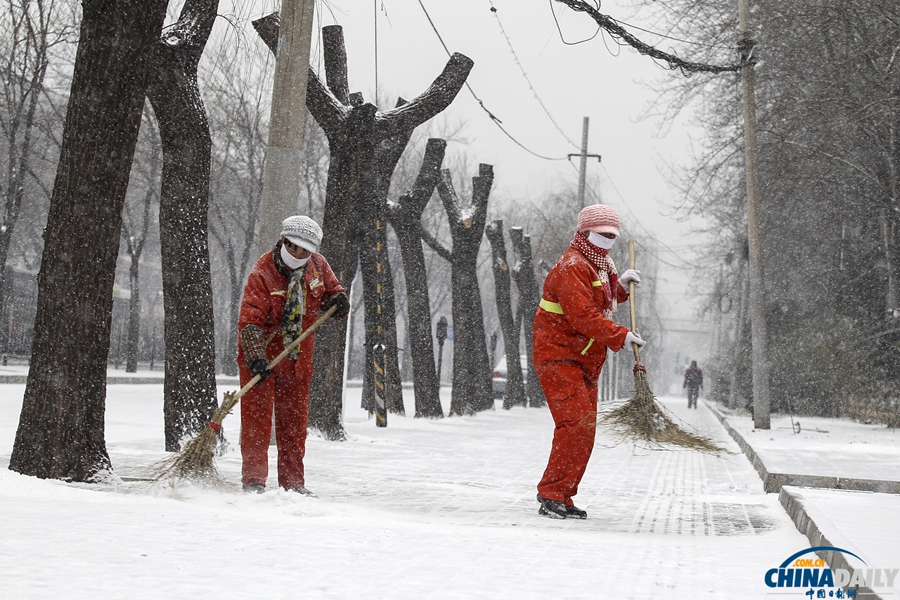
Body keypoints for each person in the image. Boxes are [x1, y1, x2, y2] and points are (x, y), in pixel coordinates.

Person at [532, 204, 646, 519]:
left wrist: (620, 287)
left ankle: (562, 496)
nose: (608, 240)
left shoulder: (600, 265)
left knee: (584, 428)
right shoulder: (572, 266)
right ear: (584, 232)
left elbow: (600, 299)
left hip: (585, 360)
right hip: (559, 356)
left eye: (613, 235)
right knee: (574, 425)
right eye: (602, 234)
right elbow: (583, 315)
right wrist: (620, 336)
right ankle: (552, 494)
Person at [237, 215, 350, 495]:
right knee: (257, 421)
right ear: (283, 241)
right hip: (261, 355)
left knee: (294, 424)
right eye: (294, 247)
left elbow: (331, 291)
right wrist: (256, 358)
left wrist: (338, 299)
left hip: (297, 358)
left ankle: (293, 484)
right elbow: (249, 320)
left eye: (305, 250)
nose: (298, 254)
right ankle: (254, 481)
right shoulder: (262, 272)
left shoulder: (318, 266)